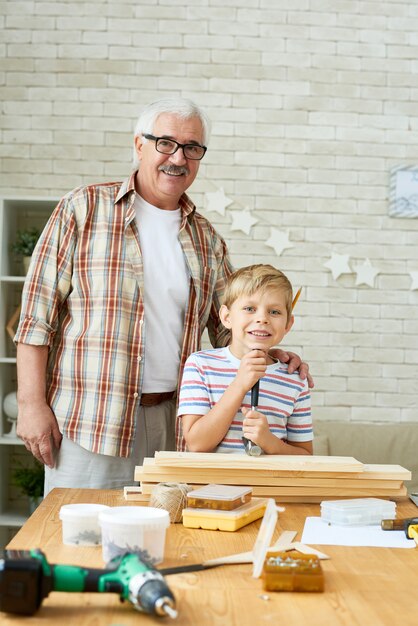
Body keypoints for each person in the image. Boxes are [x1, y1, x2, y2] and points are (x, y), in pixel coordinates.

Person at [14, 98, 311, 494]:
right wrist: (31, 406)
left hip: (176, 423)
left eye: (192, 148)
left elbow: (231, 325)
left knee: (163, 543)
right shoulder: (83, 209)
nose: (178, 157)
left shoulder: (205, 238)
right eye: (165, 143)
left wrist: (272, 353)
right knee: (81, 544)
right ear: (139, 144)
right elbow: (36, 318)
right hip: (90, 419)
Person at [178, 264, 313, 455]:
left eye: (274, 312)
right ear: (226, 317)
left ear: (288, 324)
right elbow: (197, 444)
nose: (262, 319)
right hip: (213, 484)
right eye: (249, 308)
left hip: (271, 484)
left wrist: (270, 442)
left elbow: (306, 456)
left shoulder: (294, 378)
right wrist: (240, 385)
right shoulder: (200, 365)